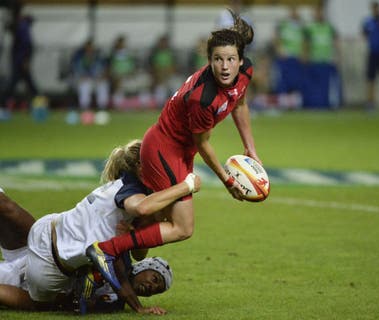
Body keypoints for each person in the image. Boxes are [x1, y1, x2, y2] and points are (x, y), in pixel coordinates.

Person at [86, 9, 261, 290]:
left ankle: (124, 241)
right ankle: (107, 249)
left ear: (242, 60)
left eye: (231, 59)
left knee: (157, 221)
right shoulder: (202, 99)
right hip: (163, 149)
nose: (225, 67)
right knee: (183, 227)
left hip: (180, 150)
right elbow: (203, 144)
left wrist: (250, 148)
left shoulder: (245, 73)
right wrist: (228, 181)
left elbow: (239, 104)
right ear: (209, 61)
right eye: (218, 59)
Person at [2, 140, 200, 314]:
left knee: (8, 208)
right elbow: (142, 209)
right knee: (41, 304)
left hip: (47, 229)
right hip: (50, 267)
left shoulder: (122, 184)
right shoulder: (132, 195)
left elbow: (140, 254)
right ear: (141, 167)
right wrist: (186, 185)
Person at [0, 187, 175, 314]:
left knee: (37, 302)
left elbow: (77, 302)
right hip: (41, 248)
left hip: (42, 281)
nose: (151, 287)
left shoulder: (115, 302)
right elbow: (115, 265)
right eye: (155, 278)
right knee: (7, 207)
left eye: (156, 290)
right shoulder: (123, 252)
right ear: (144, 266)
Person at [0, 1, 38, 120]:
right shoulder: (21, 25)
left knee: (13, 85)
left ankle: (3, 107)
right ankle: (40, 106)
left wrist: (25, 60)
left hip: (20, 61)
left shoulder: (22, 26)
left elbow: (27, 45)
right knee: (29, 86)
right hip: (19, 60)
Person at [303, 3, 342, 109]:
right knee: (315, 86)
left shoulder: (329, 27)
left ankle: (327, 105)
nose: (318, 14)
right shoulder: (310, 28)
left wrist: (338, 57)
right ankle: (315, 105)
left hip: (326, 61)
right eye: (316, 12)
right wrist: (305, 56)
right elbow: (306, 43)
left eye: (319, 12)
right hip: (314, 60)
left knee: (326, 86)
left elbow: (336, 42)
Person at [272, 5, 305, 96]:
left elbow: (304, 41)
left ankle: (295, 101)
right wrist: (279, 50)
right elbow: (275, 37)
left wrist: (303, 53)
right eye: (292, 10)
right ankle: (283, 100)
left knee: (296, 80)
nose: (294, 13)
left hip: (297, 57)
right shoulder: (283, 24)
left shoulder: (301, 26)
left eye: (296, 10)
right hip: (285, 57)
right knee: (284, 80)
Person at [70, 38, 110, 112]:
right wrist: (82, 77)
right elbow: (75, 70)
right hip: (82, 80)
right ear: (85, 47)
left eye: (91, 47)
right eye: (88, 47)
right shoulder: (78, 56)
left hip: (96, 79)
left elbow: (104, 69)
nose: (90, 49)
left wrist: (102, 76)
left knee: (103, 84)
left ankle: (102, 107)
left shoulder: (98, 56)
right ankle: (84, 107)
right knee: (85, 85)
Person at [147, 34, 177, 108]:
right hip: (158, 76)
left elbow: (174, 66)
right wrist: (159, 74)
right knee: (160, 87)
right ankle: (160, 105)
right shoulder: (154, 53)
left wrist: (168, 73)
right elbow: (152, 67)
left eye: (165, 42)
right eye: (162, 42)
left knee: (176, 85)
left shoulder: (171, 53)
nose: (163, 44)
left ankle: (176, 105)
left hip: (169, 75)